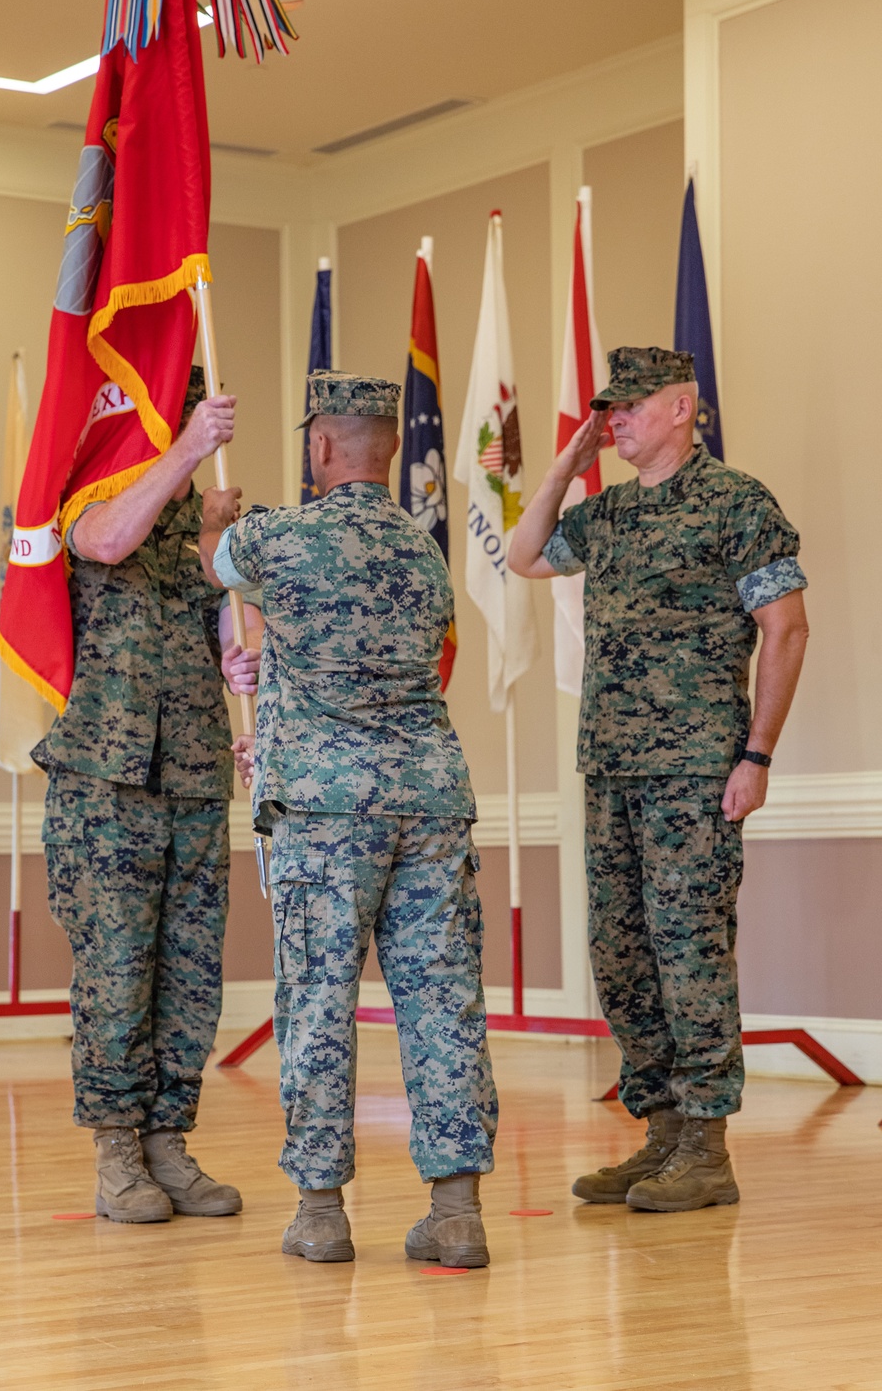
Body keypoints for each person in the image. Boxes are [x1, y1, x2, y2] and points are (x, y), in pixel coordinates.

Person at [198, 371, 497, 1268]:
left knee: (319, 1006)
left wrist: (219, 514)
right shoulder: (426, 552)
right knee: (443, 1006)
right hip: (430, 800)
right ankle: (456, 1215)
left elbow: (220, 562)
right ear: (393, 448)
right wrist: (273, 678)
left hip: (325, 814)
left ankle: (322, 1212)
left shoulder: (279, 538)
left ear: (320, 447)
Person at [510, 346, 809, 1212]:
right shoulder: (605, 518)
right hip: (610, 766)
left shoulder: (737, 503)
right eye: (610, 409)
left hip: (694, 769)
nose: (617, 421)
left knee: (690, 954)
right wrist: (567, 463)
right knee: (622, 952)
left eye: (632, 407)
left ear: (681, 408)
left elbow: (785, 630)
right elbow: (526, 556)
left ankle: (709, 1148)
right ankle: (664, 1134)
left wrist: (755, 756)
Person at [34, 367, 263, 1224]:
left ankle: (170, 1140)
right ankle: (118, 1151)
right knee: (117, 972)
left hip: (195, 768)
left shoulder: (193, 513)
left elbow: (231, 626)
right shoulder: (80, 484)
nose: (187, 416)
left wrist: (240, 646)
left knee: (191, 973)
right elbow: (102, 542)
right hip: (106, 775)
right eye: (173, 400)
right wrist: (187, 450)